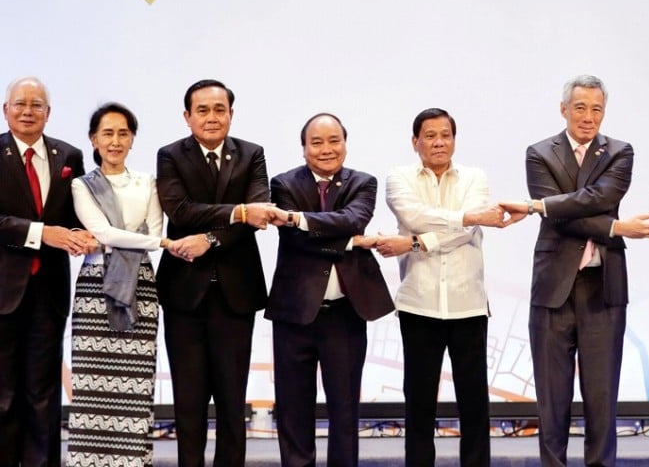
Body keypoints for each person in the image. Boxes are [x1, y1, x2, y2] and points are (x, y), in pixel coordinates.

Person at [501, 74, 649, 467]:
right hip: (555, 287)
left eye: (597, 109)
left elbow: (602, 197)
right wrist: (613, 226)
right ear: (564, 109)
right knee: (552, 399)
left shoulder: (621, 152)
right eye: (581, 107)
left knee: (602, 396)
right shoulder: (539, 152)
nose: (588, 117)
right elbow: (564, 218)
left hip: (602, 288)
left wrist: (543, 206)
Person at [66, 103, 205, 467]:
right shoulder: (82, 185)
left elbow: (155, 230)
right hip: (95, 289)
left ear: (132, 139)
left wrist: (137, 239)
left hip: (141, 287)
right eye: (107, 133)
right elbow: (101, 232)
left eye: (123, 133)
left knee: (135, 387)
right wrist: (145, 239)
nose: (115, 141)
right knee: (93, 389)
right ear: (93, 139)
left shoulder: (149, 183)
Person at [376, 107, 516, 467]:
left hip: (467, 302)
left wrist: (416, 243)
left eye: (446, 135)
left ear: (454, 139)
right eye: (431, 135)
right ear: (415, 141)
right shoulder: (398, 177)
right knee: (419, 402)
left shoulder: (474, 177)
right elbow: (414, 217)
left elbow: (463, 233)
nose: (439, 142)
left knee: (474, 403)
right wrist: (468, 217)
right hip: (418, 302)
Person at [156, 79, 278, 467]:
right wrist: (237, 212)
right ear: (187, 116)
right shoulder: (170, 155)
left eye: (219, 109)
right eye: (203, 110)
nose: (212, 118)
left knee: (231, 401)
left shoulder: (251, 154)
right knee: (188, 402)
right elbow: (180, 210)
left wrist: (210, 237)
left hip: (236, 293)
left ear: (231, 113)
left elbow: (258, 213)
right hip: (183, 292)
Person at [266, 113, 394, 467]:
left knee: (344, 409)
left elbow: (354, 219)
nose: (326, 149)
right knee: (293, 408)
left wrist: (300, 218)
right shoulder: (282, 184)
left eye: (334, 140)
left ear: (345, 143)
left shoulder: (363, 182)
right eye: (317, 142)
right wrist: (351, 243)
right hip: (295, 313)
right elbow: (294, 240)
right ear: (304, 147)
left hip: (346, 313)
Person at [0, 77, 95, 467]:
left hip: (50, 292)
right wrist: (43, 233)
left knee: (44, 392)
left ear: (48, 112)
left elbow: (76, 216)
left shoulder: (68, 156)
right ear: (6, 109)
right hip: (4, 292)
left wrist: (84, 235)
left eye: (36, 104)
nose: (27, 111)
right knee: (3, 393)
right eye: (20, 103)